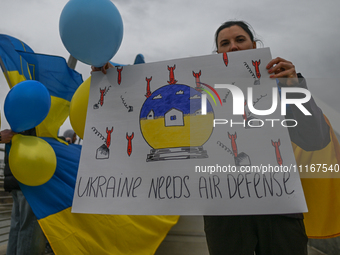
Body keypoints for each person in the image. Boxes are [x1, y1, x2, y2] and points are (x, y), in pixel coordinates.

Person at [203, 20, 331, 255]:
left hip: (279, 207)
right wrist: (113, 82)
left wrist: (294, 87)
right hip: (225, 210)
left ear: (254, 46)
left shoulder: (284, 86)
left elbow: (315, 140)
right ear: (218, 53)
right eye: (225, 43)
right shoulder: (203, 92)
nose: (233, 47)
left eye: (240, 40)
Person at [0, 128, 46, 255]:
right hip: (28, 176)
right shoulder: (33, 119)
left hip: (16, 175)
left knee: (18, 226)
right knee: (28, 228)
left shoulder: (17, 118)